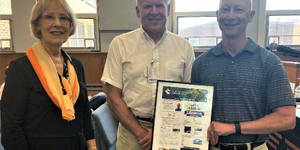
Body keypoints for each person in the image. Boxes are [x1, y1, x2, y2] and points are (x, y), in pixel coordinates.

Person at [191, 0, 296, 150]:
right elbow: (195, 113)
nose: (231, 16)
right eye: (225, 9)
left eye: (238, 10)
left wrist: (234, 128)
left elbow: (287, 118)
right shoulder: (200, 64)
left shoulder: (269, 62)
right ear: (217, 15)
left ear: (250, 16)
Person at [1, 0, 97, 149]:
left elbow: (85, 115)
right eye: (49, 17)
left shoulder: (76, 66)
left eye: (64, 18)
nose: (57, 23)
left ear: (70, 25)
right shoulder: (20, 69)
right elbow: (10, 130)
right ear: (37, 24)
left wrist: (92, 146)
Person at [101, 0, 195, 149]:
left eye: (159, 6)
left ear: (168, 9)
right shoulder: (120, 44)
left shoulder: (184, 47)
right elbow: (112, 97)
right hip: (132, 134)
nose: (154, 11)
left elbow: (189, 96)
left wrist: (161, 132)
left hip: (172, 131)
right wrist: (140, 132)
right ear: (138, 11)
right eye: (147, 6)